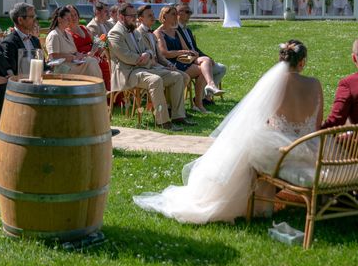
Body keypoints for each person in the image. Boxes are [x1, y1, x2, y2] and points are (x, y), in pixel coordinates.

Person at [134, 40, 322, 224]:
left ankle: (246, 203)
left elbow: (261, 118)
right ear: (302, 62)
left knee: (242, 148)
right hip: (310, 150)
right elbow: (317, 124)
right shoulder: (315, 84)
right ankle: (264, 201)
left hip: (282, 152)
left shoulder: (274, 83)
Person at [107, 3, 189, 130]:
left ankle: (178, 116)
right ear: (121, 17)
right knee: (155, 80)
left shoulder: (134, 30)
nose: (134, 18)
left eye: (135, 15)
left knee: (177, 76)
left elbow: (148, 50)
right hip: (127, 73)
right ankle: (163, 122)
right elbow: (126, 57)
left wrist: (148, 54)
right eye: (131, 16)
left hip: (144, 68)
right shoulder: (114, 33)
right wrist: (143, 58)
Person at [156, 5, 217, 113]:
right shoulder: (159, 32)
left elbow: (185, 48)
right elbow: (164, 53)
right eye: (173, 14)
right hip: (169, 63)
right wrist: (182, 52)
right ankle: (198, 102)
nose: (176, 16)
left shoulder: (175, 31)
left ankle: (202, 98)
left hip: (181, 61)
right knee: (203, 69)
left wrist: (190, 53)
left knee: (205, 64)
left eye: (176, 14)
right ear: (165, 16)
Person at [176, 3, 226, 104]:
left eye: (190, 12)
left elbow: (195, 48)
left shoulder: (188, 30)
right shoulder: (174, 30)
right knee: (206, 67)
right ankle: (203, 96)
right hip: (188, 61)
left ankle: (206, 97)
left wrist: (207, 57)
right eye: (187, 12)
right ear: (179, 13)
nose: (189, 14)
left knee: (221, 68)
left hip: (198, 59)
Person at [45, 7, 102, 78]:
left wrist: (83, 56)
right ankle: (96, 87)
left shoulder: (67, 34)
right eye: (68, 19)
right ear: (59, 19)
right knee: (91, 63)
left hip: (72, 64)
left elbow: (74, 52)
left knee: (92, 60)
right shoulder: (54, 35)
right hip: (62, 68)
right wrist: (73, 57)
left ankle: (96, 87)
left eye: (71, 18)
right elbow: (53, 56)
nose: (70, 20)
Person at [0, 2, 42, 75]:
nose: (35, 20)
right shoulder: (9, 43)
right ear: (20, 20)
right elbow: (11, 72)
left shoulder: (35, 40)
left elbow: (43, 65)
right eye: (32, 17)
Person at [86, 2, 113, 91]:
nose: (108, 14)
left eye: (108, 11)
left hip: (111, 54)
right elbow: (99, 46)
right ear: (97, 12)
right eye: (106, 11)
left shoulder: (108, 24)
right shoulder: (92, 27)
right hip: (101, 57)